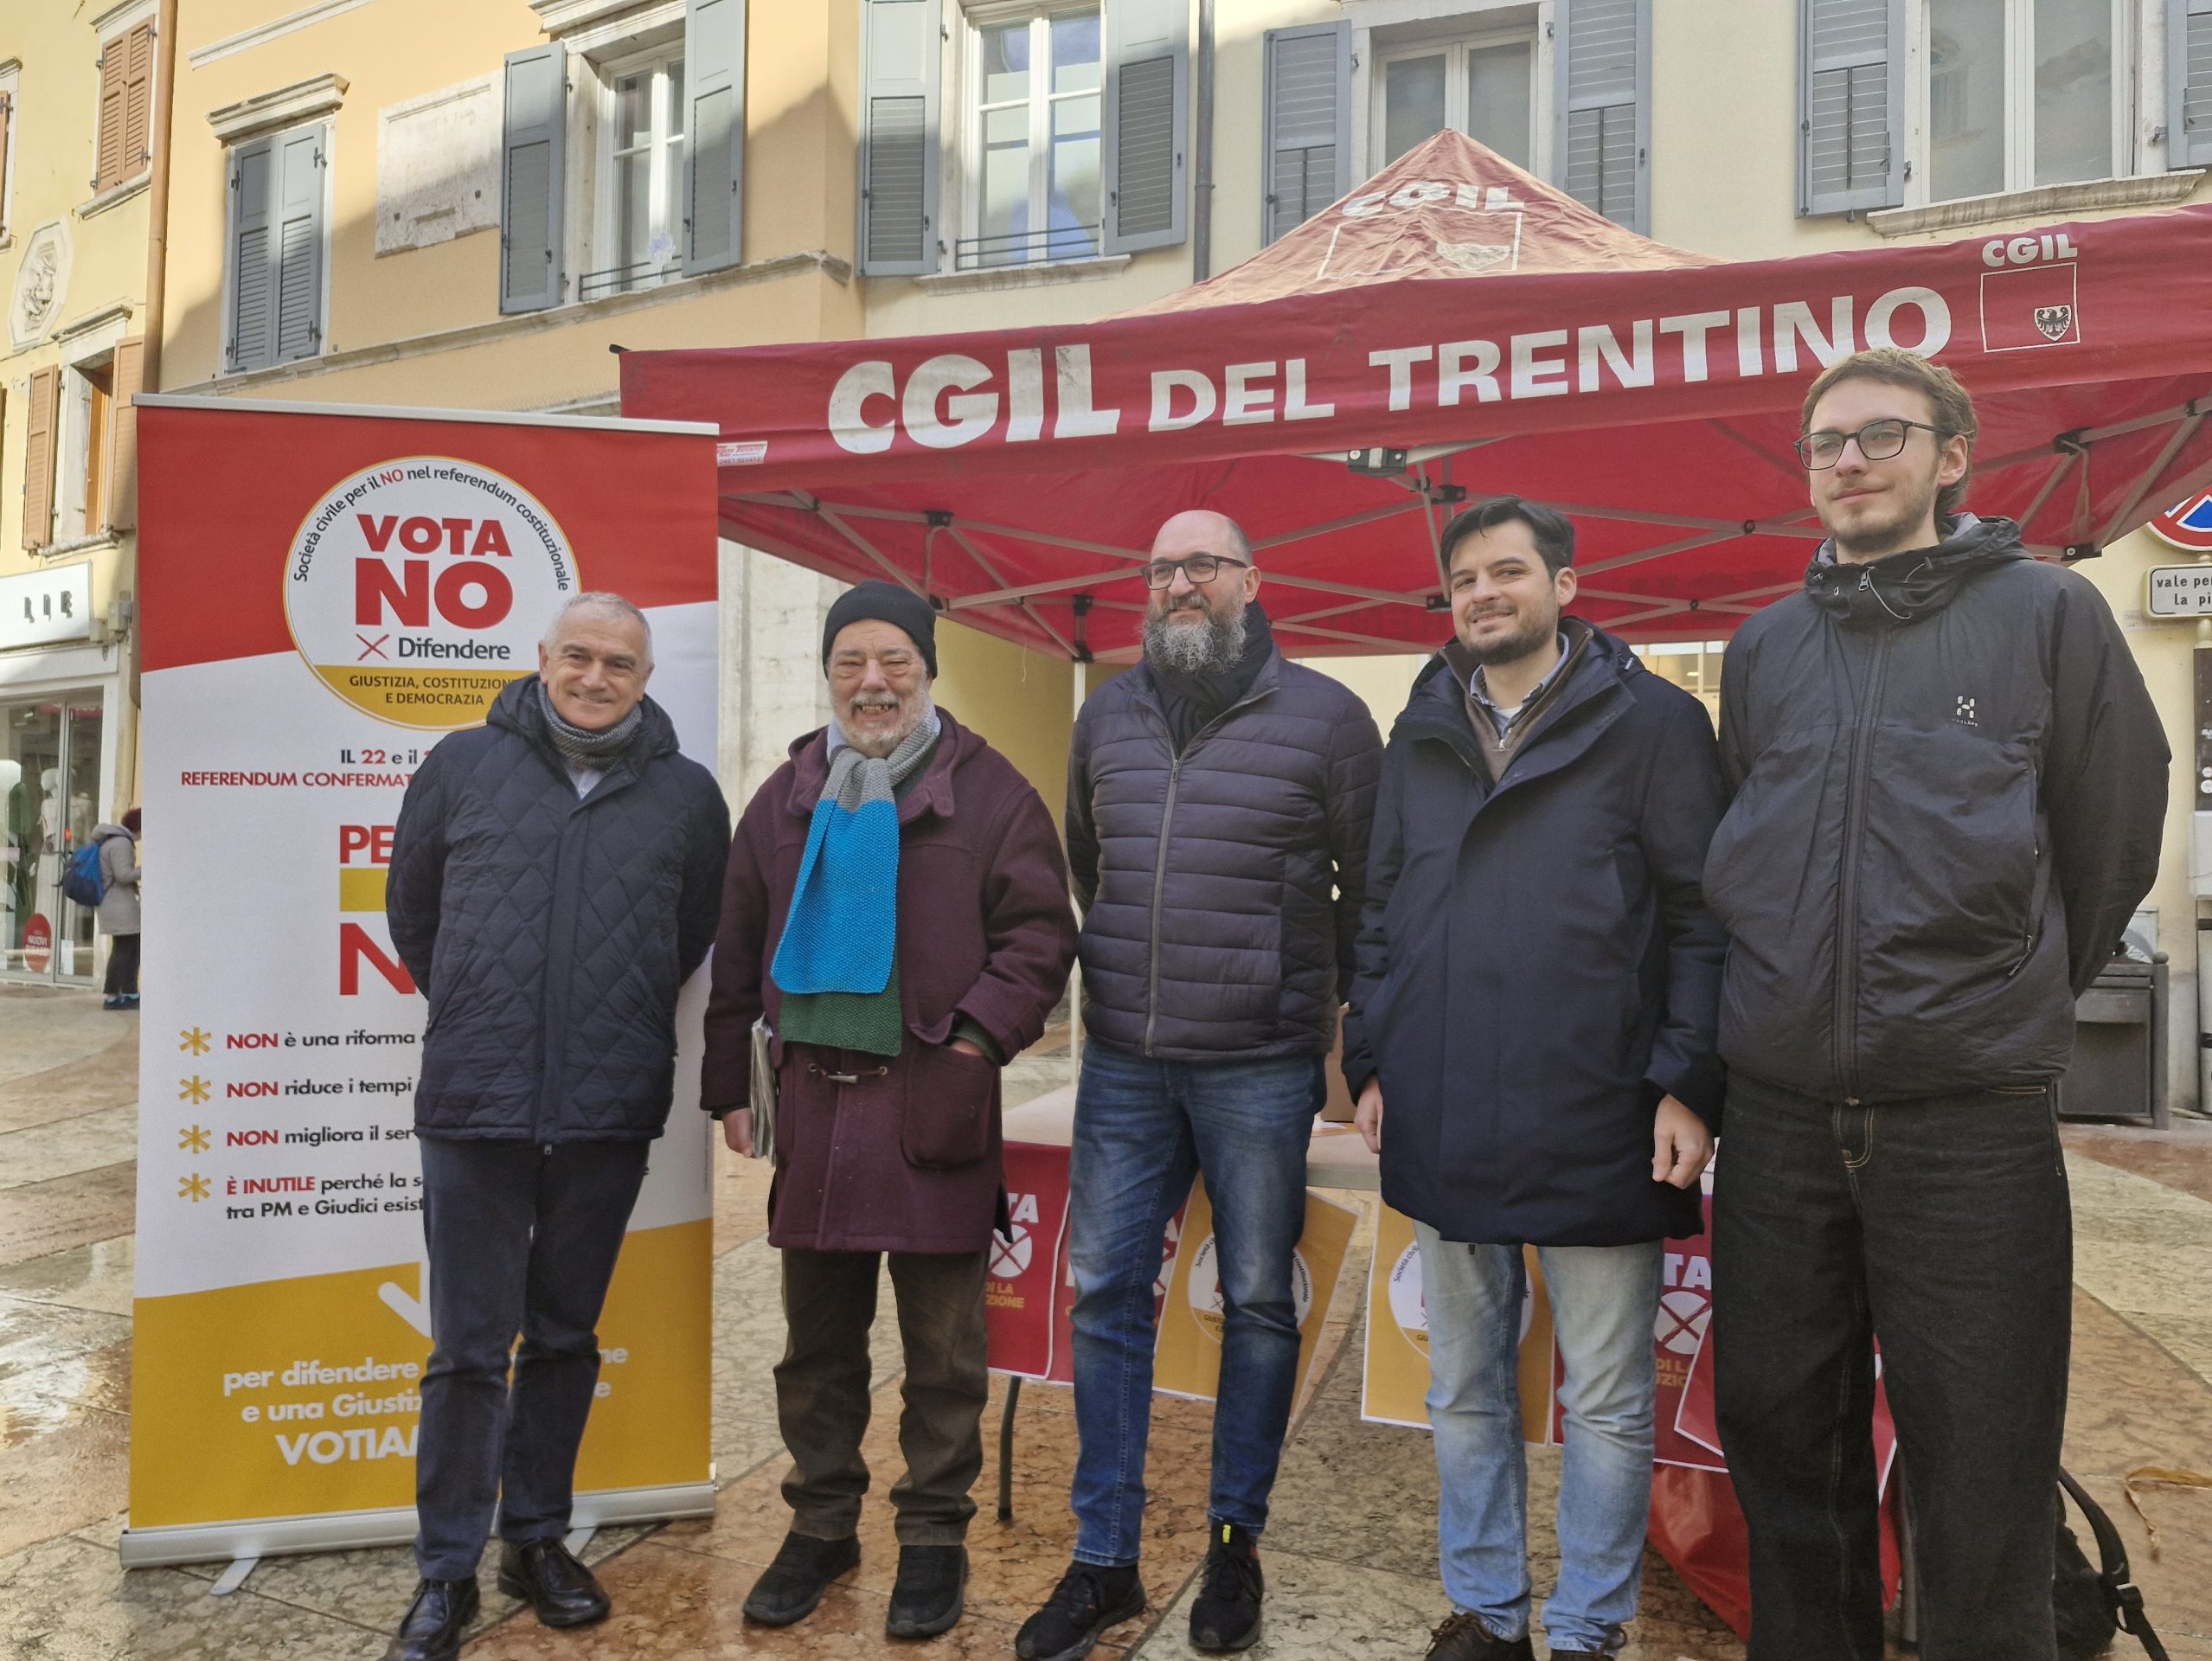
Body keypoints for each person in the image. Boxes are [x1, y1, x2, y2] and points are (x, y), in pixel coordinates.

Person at [1703, 348, 2169, 1661]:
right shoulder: (1764, 646)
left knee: (1981, 1460)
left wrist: (2005, 992)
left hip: (1968, 1120)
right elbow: (1751, 842)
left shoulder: (2049, 614)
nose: (1847, 461)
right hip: (1781, 1116)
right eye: (1825, 442)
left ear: (1951, 458)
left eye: (1881, 435)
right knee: (1784, 1444)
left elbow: (2110, 835)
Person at [1342, 497, 1726, 1661]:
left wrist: (1687, 1081)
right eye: (1464, 580)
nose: (1483, 595)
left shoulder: (1655, 723)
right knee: (1464, 1383)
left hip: (1603, 1105)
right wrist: (1371, 1056)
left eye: (1507, 572)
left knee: (1606, 1394)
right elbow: (1379, 908)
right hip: (1442, 1096)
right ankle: (1488, 1612)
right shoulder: (1418, 726)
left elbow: (1705, 917)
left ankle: (1589, 1625)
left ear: (1563, 584)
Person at [1018, 512, 1382, 1661]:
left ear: (1251, 581)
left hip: (1261, 1063)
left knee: (1260, 1302)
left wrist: (1327, 1018)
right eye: (1162, 567)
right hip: (1125, 1058)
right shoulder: (1105, 715)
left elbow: (1371, 895)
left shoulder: (1327, 718)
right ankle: (1104, 1560)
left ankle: (1234, 1544)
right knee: (1104, 1299)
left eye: (1203, 566)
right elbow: (1093, 864)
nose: (1180, 583)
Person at [702, 580, 1077, 1643]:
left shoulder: (990, 792)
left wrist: (971, 1045)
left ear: (927, 670)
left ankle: (932, 1536)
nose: (872, 683)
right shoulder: (784, 799)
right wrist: (730, 1085)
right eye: (850, 663)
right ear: (828, 676)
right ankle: (822, 1526)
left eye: (894, 661)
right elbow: (738, 944)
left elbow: (1041, 939)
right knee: (815, 1349)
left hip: (932, 1111)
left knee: (944, 1356)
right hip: (817, 1115)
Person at [381, 593, 730, 1661]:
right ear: (541, 660)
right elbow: (414, 914)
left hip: (605, 1105)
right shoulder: (461, 765)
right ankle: (446, 1571)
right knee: (466, 1350)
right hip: (475, 1101)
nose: (595, 677)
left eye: (619, 663)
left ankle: (533, 1538)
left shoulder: (687, 795)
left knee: (567, 1337)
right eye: (578, 656)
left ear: (645, 678)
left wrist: (600, 1018)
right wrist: (487, 1010)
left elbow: (686, 935)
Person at [93, 807, 141, 1010]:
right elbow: (123, 875)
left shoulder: (112, 840)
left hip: (115, 903)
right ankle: (112, 995)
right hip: (119, 905)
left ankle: (129, 992)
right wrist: (146, 870)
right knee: (123, 950)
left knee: (131, 949)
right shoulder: (121, 843)